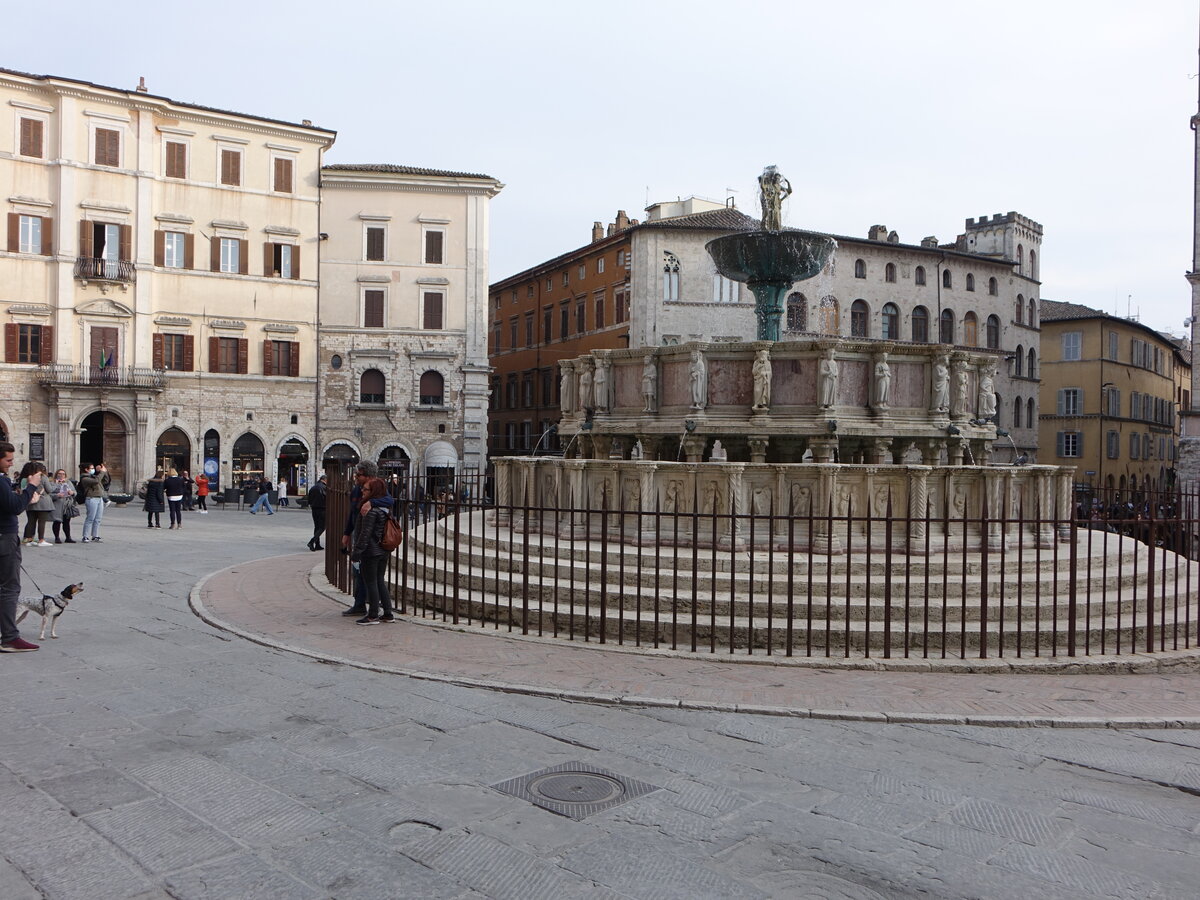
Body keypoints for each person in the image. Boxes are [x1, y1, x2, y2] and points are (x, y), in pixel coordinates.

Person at [0, 441, 42, 652]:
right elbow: (15, 507)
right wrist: (31, 486)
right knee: (9, 588)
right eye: (8, 460)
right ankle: (9, 637)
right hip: (4, 537)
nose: (11, 463)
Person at [350, 476, 396, 625]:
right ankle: (388, 613)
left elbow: (365, 534)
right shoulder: (385, 509)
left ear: (373, 491)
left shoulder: (371, 511)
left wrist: (356, 553)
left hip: (371, 551)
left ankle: (373, 615)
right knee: (379, 581)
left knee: (371, 582)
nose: (362, 491)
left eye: (366, 489)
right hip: (383, 550)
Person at [340, 460, 378, 617]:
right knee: (357, 569)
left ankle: (374, 606)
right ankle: (359, 603)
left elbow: (389, 500)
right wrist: (347, 533)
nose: (355, 477)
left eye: (359, 474)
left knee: (369, 572)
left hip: (372, 536)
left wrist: (373, 501)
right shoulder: (357, 490)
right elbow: (353, 514)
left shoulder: (377, 489)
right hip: (358, 533)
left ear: (368, 476)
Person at [20, 462, 53, 546]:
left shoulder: (27, 478)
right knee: (41, 522)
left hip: (30, 501)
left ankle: (28, 539)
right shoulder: (43, 477)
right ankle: (41, 540)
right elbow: (49, 489)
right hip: (42, 502)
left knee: (31, 521)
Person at [78, 462, 107, 543]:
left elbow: (105, 480)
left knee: (98, 519)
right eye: (91, 468)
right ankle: (85, 536)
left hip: (99, 498)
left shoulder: (94, 476)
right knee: (90, 518)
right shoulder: (84, 478)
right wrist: (102, 472)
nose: (93, 470)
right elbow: (96, 481)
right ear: (86, 469)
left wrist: (104, 472)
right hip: (91, 498)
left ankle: (95, 535)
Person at [48, 469, 77, 543]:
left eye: (63, 474)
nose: (61, 475)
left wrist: (72, 492)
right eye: (59, 474)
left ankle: (68, 537)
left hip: (66, 504)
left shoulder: (68, 482)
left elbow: (75, 492)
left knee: (67, 521)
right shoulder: (52, 483)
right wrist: (57, 495)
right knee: (57, 521)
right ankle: (57, 537)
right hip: (57, 504)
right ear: (56, 474)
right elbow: (49, 493)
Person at [307, 474, 328, 552]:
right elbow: (326, 498)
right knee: (322, 527)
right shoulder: (324, 487)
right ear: (325, 480)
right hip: (322, 509)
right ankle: (312, 542)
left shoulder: (313, 487)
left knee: (317, 526)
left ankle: (317, 544)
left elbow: (309, 499)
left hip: (314, 509)